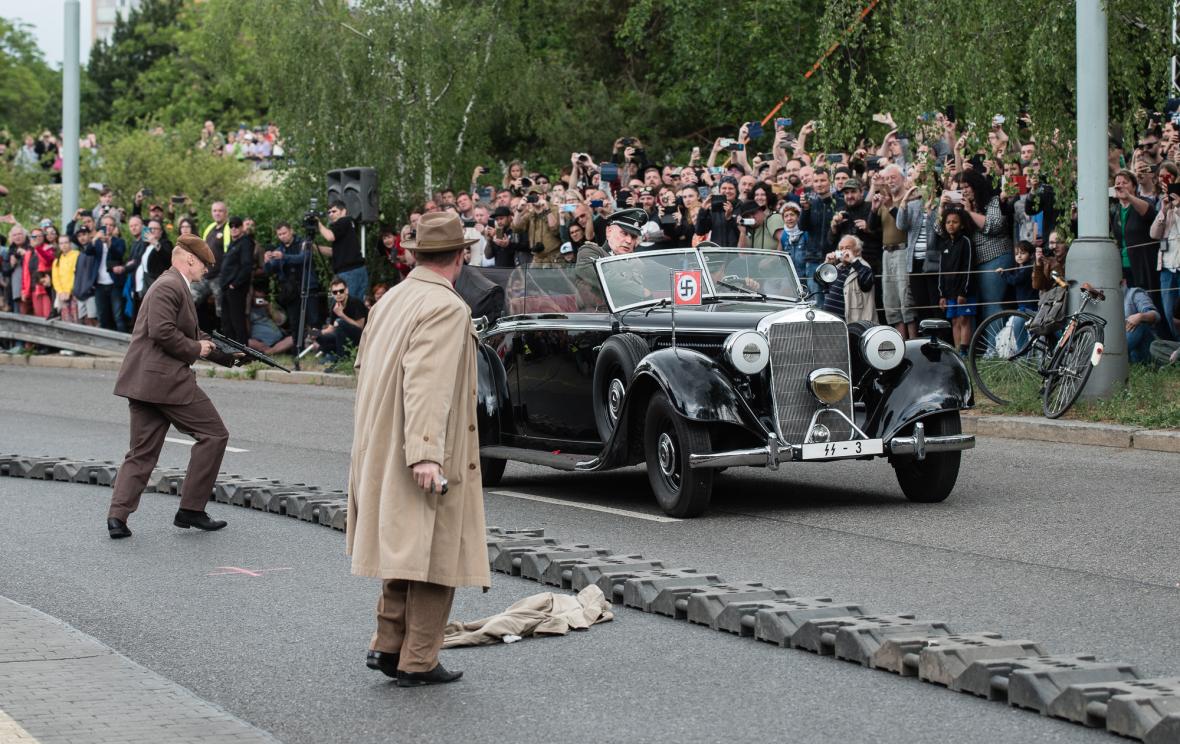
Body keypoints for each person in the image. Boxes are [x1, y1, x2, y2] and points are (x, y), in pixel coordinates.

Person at [347, 210, 489, 687]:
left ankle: (387, 645)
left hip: (385, 440)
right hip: (423, 444)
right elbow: (427, 384)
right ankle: (419, 658)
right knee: (435, 555)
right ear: (460, 256)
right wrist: (426, 452)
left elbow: (364, 365)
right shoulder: (447, 308)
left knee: (405, 547)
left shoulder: (391, 300)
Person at [106, 235, 242, 540]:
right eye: (205, 264)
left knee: (141, 452)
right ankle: (191, 509)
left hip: (144, 383)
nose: (207, 270)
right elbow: (163, 332)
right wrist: (198, 349)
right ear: (190, 259)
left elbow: (192, 332)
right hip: (165, 380)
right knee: (214, 434)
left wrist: (228, 355)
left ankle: (117, 517)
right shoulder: (169, 285)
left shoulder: (172, 284)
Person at [575, 208, 646, 309]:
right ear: (609, 231)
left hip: (634, 318)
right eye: (624, 233)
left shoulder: (638, 261)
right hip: (599, 319)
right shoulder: (589, 251)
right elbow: (602, 276)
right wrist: (641, 291)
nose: (629, 240)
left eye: (634, 236)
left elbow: (664, 273)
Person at [937, 209, 974, 354]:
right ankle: (957, 352)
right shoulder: (945, 245)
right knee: (954, 321)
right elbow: (941, 271)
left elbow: (968, 267)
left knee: (964, 319)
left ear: (962, 224)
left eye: (955, 222)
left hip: (964, 291)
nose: (951, 225)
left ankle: (965, 352)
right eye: (948, 222)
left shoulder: (966, 242)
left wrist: (963, 292)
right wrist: (942, 295)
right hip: (949, 292)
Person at [317, 200, 368, 301]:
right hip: (356, 270)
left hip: (349, 272)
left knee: (343, 306)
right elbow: (334, 252)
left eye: (334, 211)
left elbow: (330, 237)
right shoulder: (347, 225)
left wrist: (318, 223)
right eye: (329, 212)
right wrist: (315, 247)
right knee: (356, 307)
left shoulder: (344, 221)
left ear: (343, 211)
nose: (331, 214)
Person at [315, 276, 368, 363]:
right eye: (335, 292)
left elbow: (360, 327)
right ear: (332, 294)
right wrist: (315, 333)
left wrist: (341, 315)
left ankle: (342, 359)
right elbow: (330, 329)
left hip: (362, 337)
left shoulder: (355, 302)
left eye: (341, 291)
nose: (338, 294)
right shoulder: (334, 306)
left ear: (346, 290)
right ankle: (333, 355)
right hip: (344, 337)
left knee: (340, 323)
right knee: (320, 336)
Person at [218, 217, 254, 344]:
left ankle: (243, 352)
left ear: (242, 227)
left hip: (235, 288)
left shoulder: (246, 242)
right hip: (226, 287)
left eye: (237, 225)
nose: (233, 228)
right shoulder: (233, 243)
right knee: (227, 321)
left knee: (237, 320)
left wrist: (235, 284)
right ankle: (231, 351)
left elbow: (247, 266)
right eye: (231, 226)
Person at [823, 235, 875, 322]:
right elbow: (822, 285)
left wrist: (853, 260)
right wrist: (827, 265)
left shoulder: (863, 267)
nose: (843, 251)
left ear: (857, 251)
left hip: (851, 325)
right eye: (841, 248)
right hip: (831, 323)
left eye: (847, 248)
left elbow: (867, 283)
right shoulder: (838, 267)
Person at [195, 201, 229, 319]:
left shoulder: (229, 228)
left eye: (220, 211)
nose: (217, 213)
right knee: (189, 298)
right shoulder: (210, 228)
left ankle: (223, 335)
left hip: (219, 276)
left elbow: (229, 254)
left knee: (221, 310)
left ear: (226, 213)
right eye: (215, 211)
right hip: (205, 275)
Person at [1123, 278, 1159, 363]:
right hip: (1129, 351)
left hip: (1145, 347)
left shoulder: (1135, 294)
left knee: (1139, 324)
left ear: (1123, 282)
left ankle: (1114, 356)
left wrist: (1140, 316)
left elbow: (1156, 315)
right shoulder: (1107, 299)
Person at [51, 235, 79, 323]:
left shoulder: (77, 255)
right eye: (61, 243)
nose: (64, 245)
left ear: (70, 243)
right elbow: (55, 278)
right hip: (62, 294)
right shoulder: (57, 260)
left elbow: (76, 274)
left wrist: (69, 290)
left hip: (74, 292)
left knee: (77, 319)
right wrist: (60, 291)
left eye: (66, 242)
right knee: (66, 320)